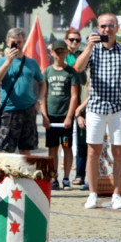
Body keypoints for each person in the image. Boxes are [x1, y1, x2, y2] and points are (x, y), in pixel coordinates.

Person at [73, 13, 121, 209]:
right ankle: (93, 193)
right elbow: (78, 68)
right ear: (97, 28)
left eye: (110, 26)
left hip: (118, 108)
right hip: (96, 108)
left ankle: (117, 194)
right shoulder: (93, 49)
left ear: (117, 28)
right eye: (103, 26)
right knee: (93, 151)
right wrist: (89, 46)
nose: (106, 29)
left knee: (118, 151)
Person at [0, 27, 45, 155]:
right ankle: (4, 175)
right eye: (13, 42)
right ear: (7, 42)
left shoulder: (31, 63)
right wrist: (8, 61)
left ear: (24, 41)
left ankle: (24, 174)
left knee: (26, 148)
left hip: (28, 110)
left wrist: (39, 101)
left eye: (19, 42)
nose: (17, 45)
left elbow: (42, 83)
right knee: (5, 148)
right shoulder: (2, 61)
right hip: (9, 111)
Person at [42, 39, 79, 190]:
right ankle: (54, 177)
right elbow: (43, 95)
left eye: (62, 51)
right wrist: (44, 115)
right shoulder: (47, 72)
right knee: (52, 148)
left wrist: (69, 116)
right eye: (57, 52)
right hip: (51, 117)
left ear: (66, 52)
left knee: (66, 146)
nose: (59, 54)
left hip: (65, 117)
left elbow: (74, 95)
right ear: (52, 53)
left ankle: (66, 178)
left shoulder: (71, 72)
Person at [64, 28, 89, 186]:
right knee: (64, 142)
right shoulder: (60, 56)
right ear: (66, 40)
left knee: (82, 142)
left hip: (81, 103)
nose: (74, 43)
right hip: (63, 106)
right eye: (71, 39)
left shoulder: (83, 56)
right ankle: (62, 176)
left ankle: (80, 174)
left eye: (77, 40)